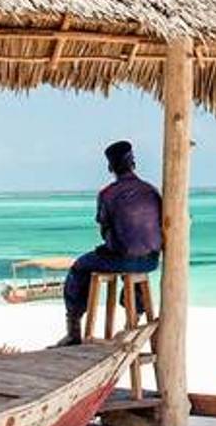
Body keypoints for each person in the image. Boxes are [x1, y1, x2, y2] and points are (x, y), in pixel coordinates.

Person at [57, 140, 162, 345]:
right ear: (133, 163)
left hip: (123, 259)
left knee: (79, 267)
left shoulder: (107, 194)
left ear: (110, 167)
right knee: (129, 263)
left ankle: (74, 330)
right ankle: (134, 317)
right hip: (150, 260)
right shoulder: (151, 190)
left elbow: (105, 229)